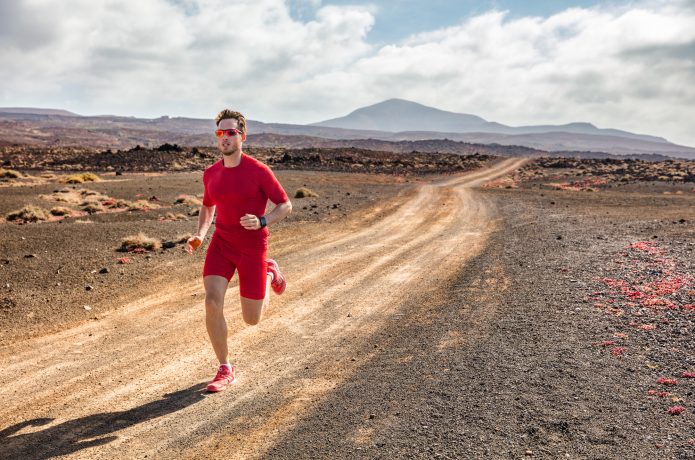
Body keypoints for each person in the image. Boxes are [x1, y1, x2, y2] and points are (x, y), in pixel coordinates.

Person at [186, 109, 292, 392]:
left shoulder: (258, 171)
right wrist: (199, 234)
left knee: (252, 319)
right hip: (222, 243)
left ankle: (270, 272)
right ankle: (225, 368)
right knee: (211, 301)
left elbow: (285, 204)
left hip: (252, 245)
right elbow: (208, 206)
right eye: (220, 133)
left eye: (231, 132)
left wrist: (262, 221)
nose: (225, 138)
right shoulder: (211, 173)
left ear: (242, 136)